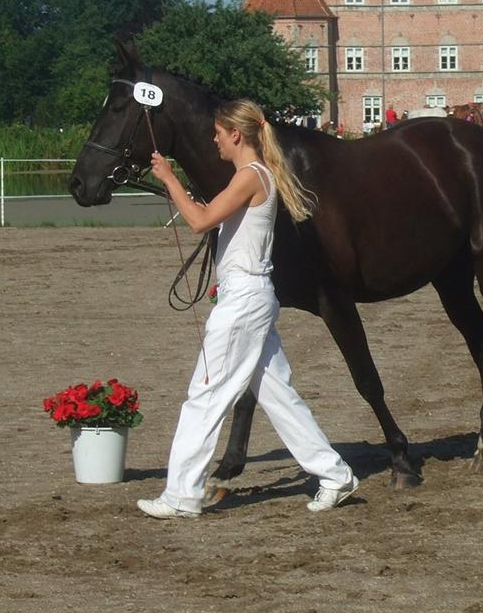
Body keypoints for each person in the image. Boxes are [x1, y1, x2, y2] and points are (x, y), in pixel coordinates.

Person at [139, 99, 358, 518]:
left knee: (204, 394)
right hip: (250, 296)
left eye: (219, 134)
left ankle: (181, 494)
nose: (214, 140)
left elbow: (200, 220)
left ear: (236, 135)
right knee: (280, 397)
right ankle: (336, 475)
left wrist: (169, 178)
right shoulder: (253, 175)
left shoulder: (250, 177)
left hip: (244, 302)